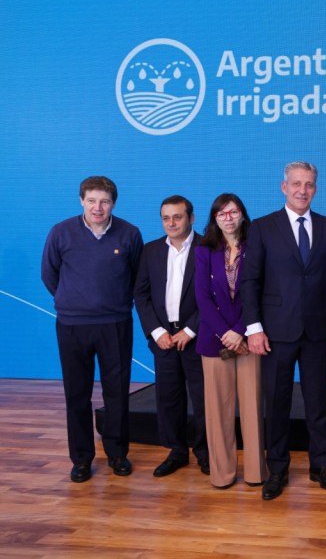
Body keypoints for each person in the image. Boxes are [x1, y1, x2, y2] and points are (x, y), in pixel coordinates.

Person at [241, 161, 326, 501]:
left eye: (309, 185)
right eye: (297, 184)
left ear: (315, 189)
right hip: (275, 333)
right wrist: (254, 328)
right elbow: (250, 281)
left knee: (318, 402)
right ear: (284, 187)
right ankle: (278, 470)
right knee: (276, 404)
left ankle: (321, 466)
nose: (303, 190)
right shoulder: (261, 227)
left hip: (318, 331)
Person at [41, 176, 143, 483]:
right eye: (91, 201)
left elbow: (137, 277)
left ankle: (117, 453)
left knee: (117, 393)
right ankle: (82, 459)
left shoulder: (129, 233)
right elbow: (50, 275)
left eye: (105, 201)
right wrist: (72, 301)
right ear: (81, 201)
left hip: (115, 324)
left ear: (113, 203)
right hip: (72, 325)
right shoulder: (61, 232)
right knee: (77, 394)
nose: (98, 208)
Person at [194, 193, 269, 489]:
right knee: (218, 413)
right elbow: (202, 297)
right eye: (221, 213)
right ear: (214, 218)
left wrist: (242, 330)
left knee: (252, 409)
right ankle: (222, 474)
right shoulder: (204, 250)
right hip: (214, 342)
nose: (228, 218)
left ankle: (255, 473)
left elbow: (260, 291)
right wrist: (225, 332)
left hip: (250, 338)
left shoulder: (257, 245)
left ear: (242, 215)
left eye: (233, 212)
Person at [134, 195, 209, 478]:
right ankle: (176, 451)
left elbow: (213, 296)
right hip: (163, 337)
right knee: (168, 398)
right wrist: (157, 332)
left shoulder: (207, 248)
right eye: (166, 218)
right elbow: (140, 295)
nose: (172, 223)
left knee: (202, 399)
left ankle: (204, 453)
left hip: (196, 336)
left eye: (177, 217)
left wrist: (190, 330)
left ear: (190, 217)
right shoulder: (150, 250)